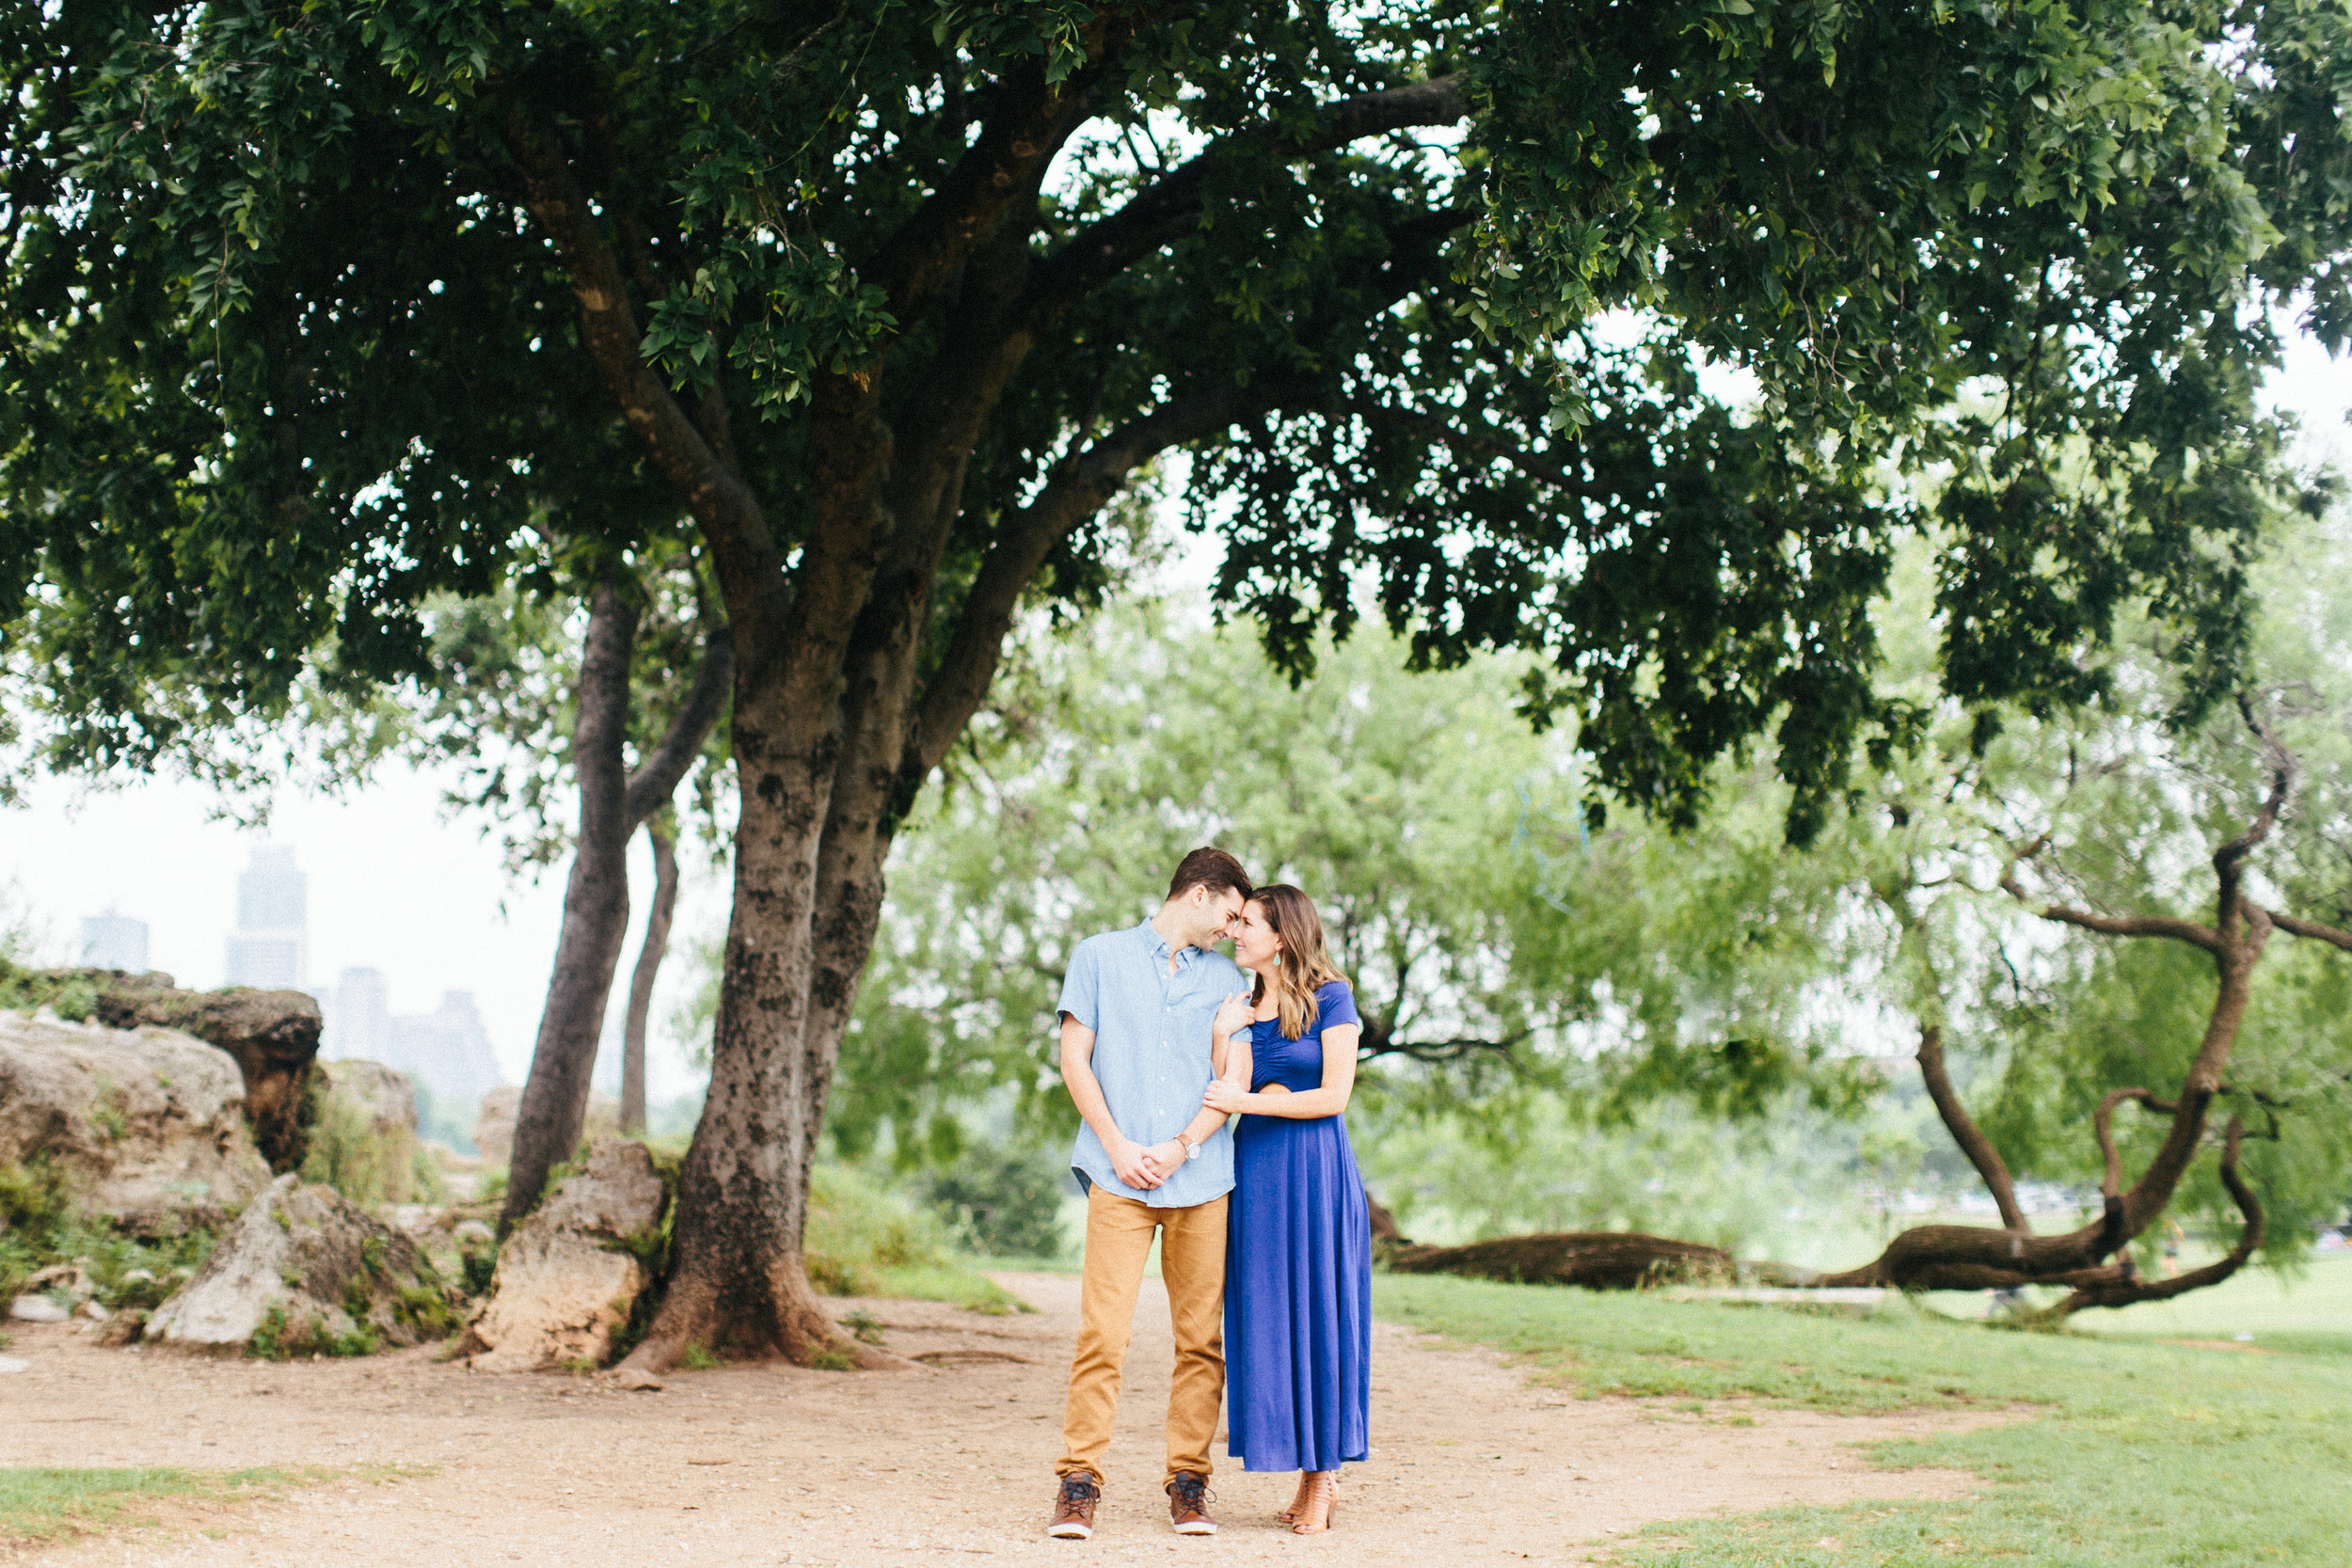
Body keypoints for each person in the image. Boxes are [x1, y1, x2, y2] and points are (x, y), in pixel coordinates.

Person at [1047, 847, 1254, 1542]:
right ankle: (1078, 1482)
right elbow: (1075, 1057)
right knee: (1102, 1331)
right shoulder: (1098, 956)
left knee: (1201, 1341)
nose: (1232, 928)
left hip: (1200, 1180)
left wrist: (1180, 1145)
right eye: (1229, 913)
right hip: (1118, 1178)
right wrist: (1117, 1145)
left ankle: (1189, 1483)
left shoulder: (1230, 978)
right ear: (1198, 894)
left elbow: (1232, 1078)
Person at [1203, 884, 1370, 1536]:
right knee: (1275, 1317)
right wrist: (1222, 1034)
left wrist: (1258, 1099)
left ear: (1283, 933)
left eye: (1247, 923)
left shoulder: (1334, 997)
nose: (1236, 931)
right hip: (1260, 1176)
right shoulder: (1246, 1004)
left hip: (1317, 1172)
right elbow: (1228, 1090)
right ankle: (1304, 1472)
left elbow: (1334, 1095)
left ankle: (1322, 1481)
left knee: (1322, 1315)